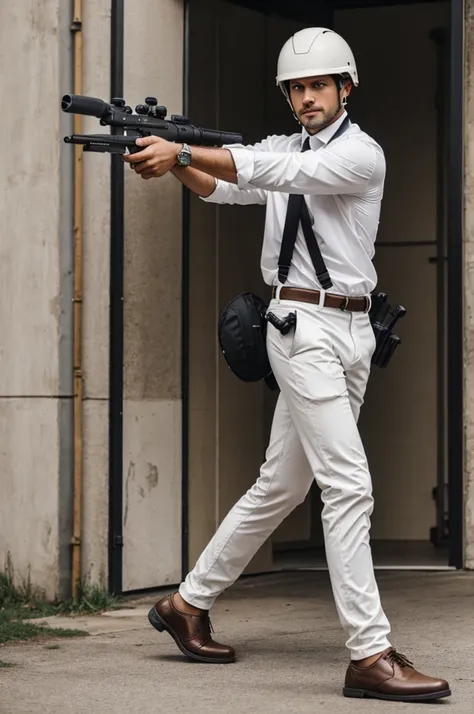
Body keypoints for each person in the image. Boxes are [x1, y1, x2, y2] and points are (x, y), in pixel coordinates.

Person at [124, 27, 451, 703]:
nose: (305, 98)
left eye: (316, 86)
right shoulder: (279, 151)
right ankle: (370, 653)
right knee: (349, 485)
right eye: (296, 88)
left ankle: (187, 603)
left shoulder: (362, 155)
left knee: (282, 485)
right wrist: (170, 163)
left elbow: (275, 173)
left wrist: (183, 147)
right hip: (300, 330)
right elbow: (228, 188)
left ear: (345, 88)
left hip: (355, 328)